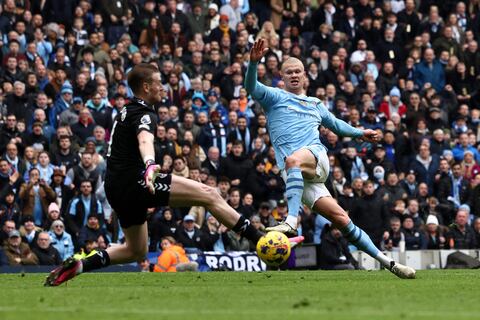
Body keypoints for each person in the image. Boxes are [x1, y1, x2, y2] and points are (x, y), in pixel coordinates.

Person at [45, 63, 273, 286]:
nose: (163, 87)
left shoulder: (126, 110)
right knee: (209, 194)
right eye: (158, 83)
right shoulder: (145, 114)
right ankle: (261, 241)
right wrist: (151, 165)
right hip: (137, 182)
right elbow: (145, 139)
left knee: (136, 250)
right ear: (146, 87)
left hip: (115, 188)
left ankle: (81, 265)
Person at [244, 39, 415, 278]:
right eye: (289, 72)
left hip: (315, 158)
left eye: (298, 72)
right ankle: (390, 263)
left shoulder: (315, 104)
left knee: (293, 160)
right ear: (281, 77)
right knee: (342, 220)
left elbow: (336, 125)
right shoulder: (273, 97)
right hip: (297, 178)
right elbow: (251, 86)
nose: (294, 75)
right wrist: (253, 63)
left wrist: (359, 133)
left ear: (305, 76)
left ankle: (291, 220)